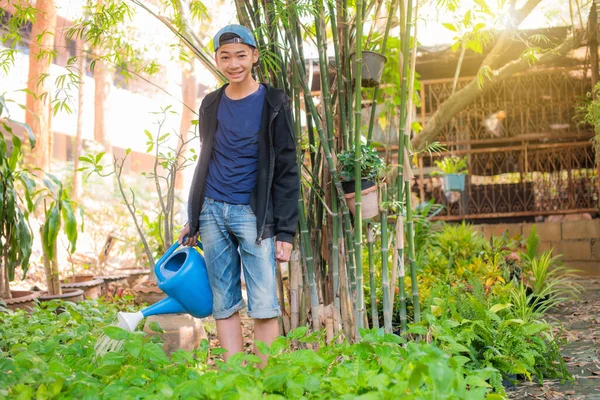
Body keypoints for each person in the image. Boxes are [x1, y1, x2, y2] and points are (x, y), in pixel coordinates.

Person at [178, 24, 299, 366]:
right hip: (212, 211)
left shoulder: (273, 102)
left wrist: (286, 231)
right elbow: (206, 159)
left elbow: (288, 168)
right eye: (226, 56)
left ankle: (266, 378)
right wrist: (194, 217)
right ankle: (233, 377)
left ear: (254, 56)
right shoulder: (211, 103)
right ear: (217, 58)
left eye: (241, 56)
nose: (234, 64)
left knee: (264, 302)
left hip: (253, 213)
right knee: (223, 300)